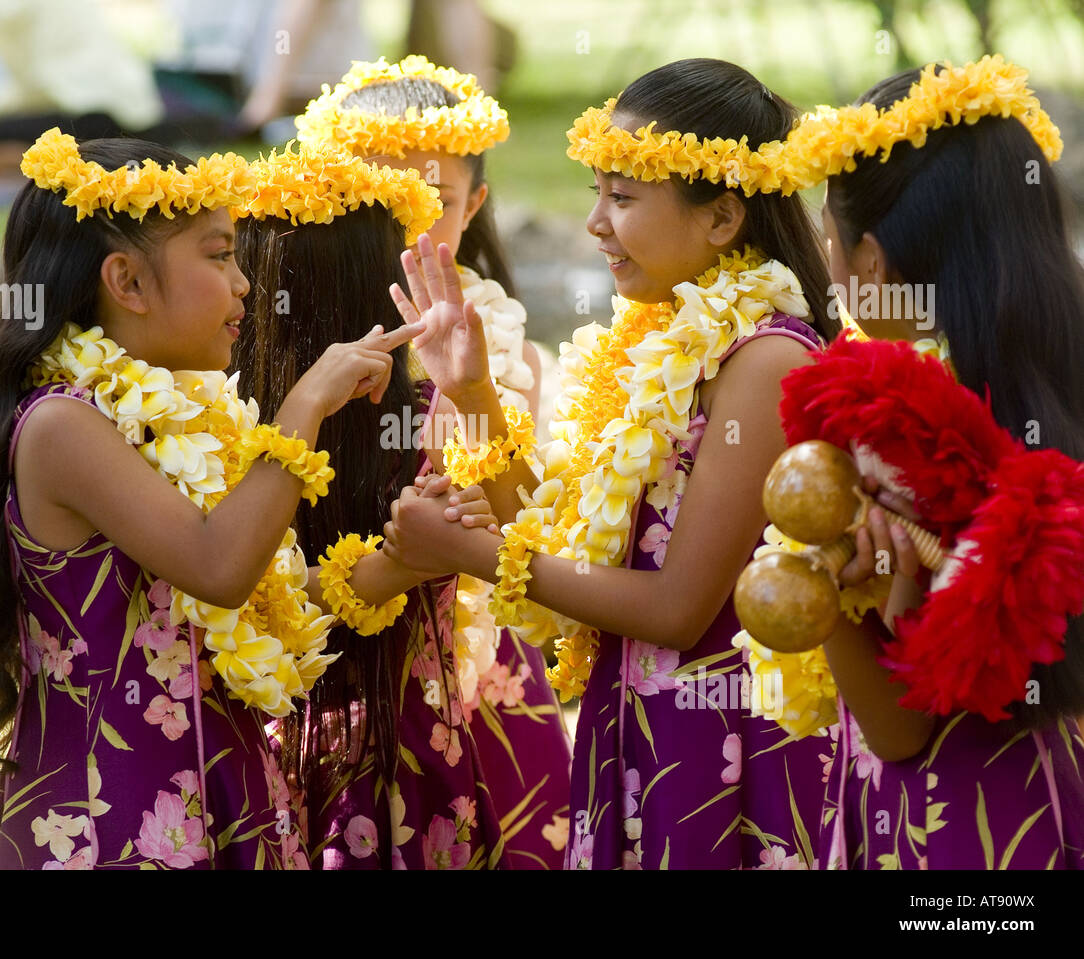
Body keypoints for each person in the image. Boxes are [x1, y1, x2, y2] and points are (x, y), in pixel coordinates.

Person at [0, 129, 434, 868]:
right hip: (112, 814)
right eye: (220, 254)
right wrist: (304, 407)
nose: (245, 284)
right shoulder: (64, 424)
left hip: (215, 784)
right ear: (126, 282)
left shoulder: (187, 416)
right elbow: (217, 564)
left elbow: (253, 598)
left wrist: (405, 556)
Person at [386, 59, 842, 869]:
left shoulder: (765, 357)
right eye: (597, 192)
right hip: (639, 724)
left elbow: (673, 608)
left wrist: (470, 555)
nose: (594, 223)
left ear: (723, 217)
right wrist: (475, 394)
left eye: (623, 198)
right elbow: (572, 550)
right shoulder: (654, 337)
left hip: (722, 747)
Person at [784, 56, 1084, 869]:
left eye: (829, 244)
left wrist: (824, 579)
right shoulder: (1056, 390)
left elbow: (897, 727)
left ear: (873, 264)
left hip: (959, 833)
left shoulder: (890, 436)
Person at [295, 54, 572, 868]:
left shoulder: (492, 333)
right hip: (322, 659)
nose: (406, 230)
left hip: (469, 668)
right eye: (382, 199)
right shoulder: (279, 315)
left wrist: (474, 388)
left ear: (475, 204)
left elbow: (516, 515)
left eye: (436, 203)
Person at [232, 142, 508, 868]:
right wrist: (397, 563)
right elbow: (244, 593)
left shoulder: (433, 411)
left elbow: (525, 537)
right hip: (373, 756)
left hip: (369, 747)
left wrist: (475, 395)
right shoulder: (213, 431)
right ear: (367, 286)